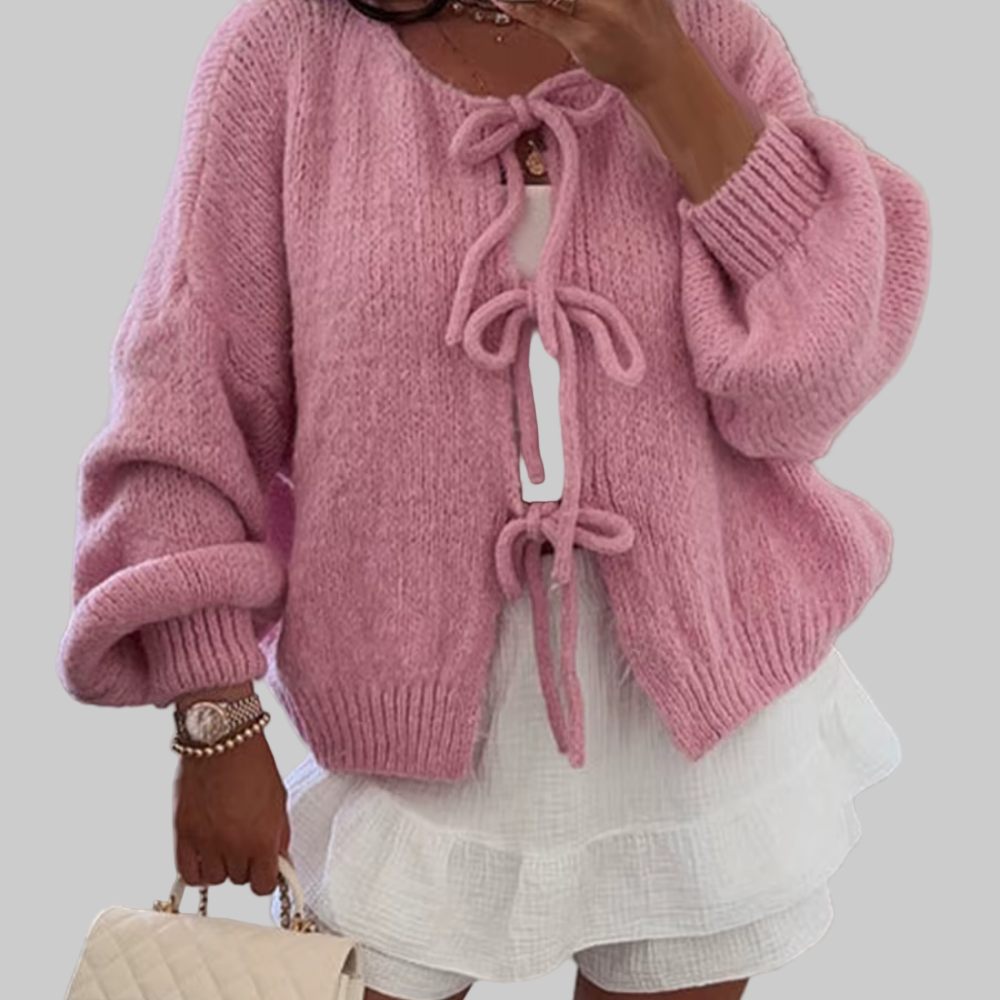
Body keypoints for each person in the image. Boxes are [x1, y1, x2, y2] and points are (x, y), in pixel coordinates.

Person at [57, 0, 931, 998]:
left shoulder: (706, 32)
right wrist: (216, 712)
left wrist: (664, 75)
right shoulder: (284, 56)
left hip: (692, 714)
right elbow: (183, 399)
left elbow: (813, 388)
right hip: (399, 717)